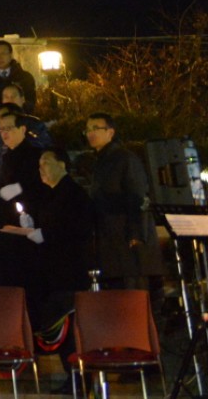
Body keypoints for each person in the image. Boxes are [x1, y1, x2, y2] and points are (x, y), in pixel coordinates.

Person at [22, 149, 95, 331]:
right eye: (39, 165)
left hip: (68, 273)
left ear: (62, 164)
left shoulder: (73, 194)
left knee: (64, 326)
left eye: (45, 163)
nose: (41, 169)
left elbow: (77, 228)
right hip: (51, 274)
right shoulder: (50, 194)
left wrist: (44, 234)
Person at [84, 111, 154, 288]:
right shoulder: (100, 160)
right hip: (109, 237)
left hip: (123, 238)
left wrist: (136, 234)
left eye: (95, 128)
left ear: (110, 132)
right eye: (87, 129)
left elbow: (137, 195)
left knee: (127, 289)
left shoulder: (124, 158)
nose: (90, 133)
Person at [0, 109, 46, 294]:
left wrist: (20, 189)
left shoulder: (35, 155)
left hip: (23, 228)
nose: (5, 133)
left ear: (22, 129)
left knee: (21, 280)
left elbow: (40, 186)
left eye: (9, 128)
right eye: (1, 129)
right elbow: (2, 194)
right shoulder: (7, 157)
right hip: (4, 226)